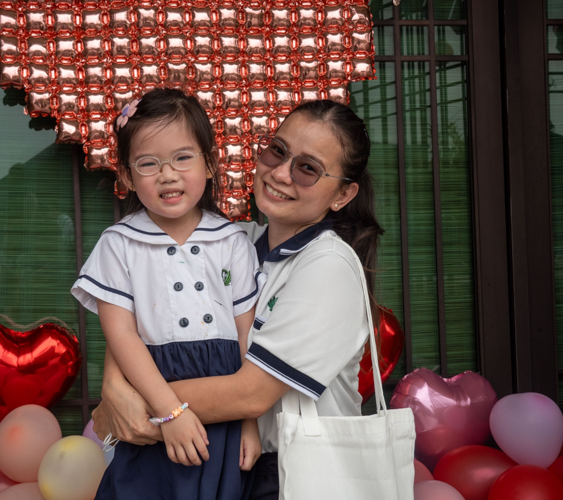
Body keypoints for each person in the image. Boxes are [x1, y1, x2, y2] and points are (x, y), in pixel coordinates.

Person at [92, 98, 383, 499]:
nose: (281, 173)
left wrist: (142, 402)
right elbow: (137, 311)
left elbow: (250, 394)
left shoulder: (329, 266)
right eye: (277, 151)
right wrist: (112, 386)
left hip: (298, 476)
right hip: (233, 462)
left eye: (308, 169)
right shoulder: (232, 241)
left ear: (343, 194)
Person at [71, 88, 264, 500]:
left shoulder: (232, 241)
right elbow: (121, 335)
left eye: (182, 157)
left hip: (225, 391)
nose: (168, 174)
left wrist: (252, 421)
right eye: (148, 163)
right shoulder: (118, 244)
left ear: (210, 164)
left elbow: (247, 331)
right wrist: (169, 411)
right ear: (125, 176)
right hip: (155, 382)